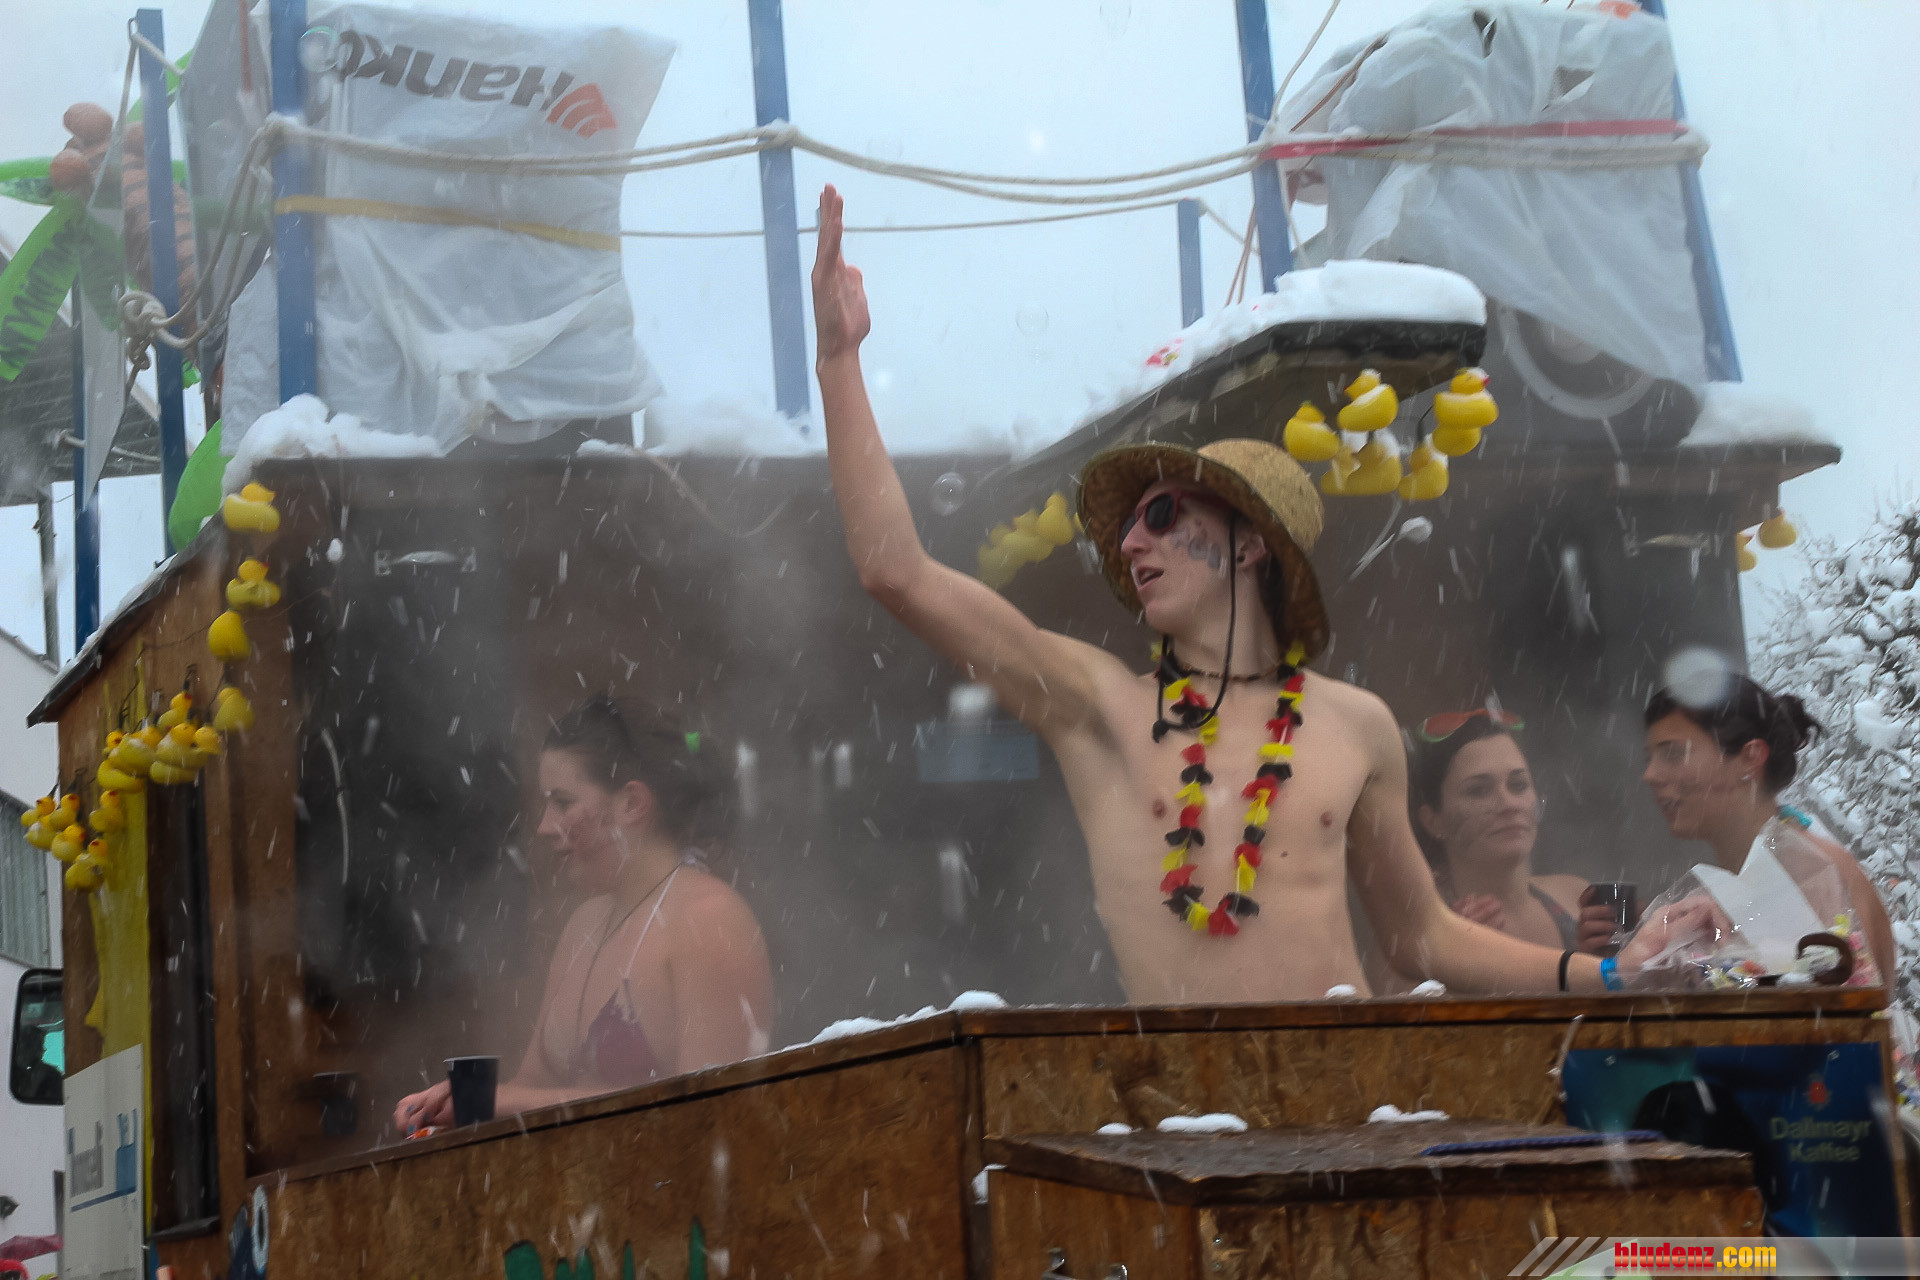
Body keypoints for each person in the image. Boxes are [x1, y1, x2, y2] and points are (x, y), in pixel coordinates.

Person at [811, 183, 1686, 1000]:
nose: (1133, 542)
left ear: (1249, 544)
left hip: (1348, 1091)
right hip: (1181, 1102)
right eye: (1128, 528)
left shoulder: (1358, 724)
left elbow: (1420, 938)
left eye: (1162, 515)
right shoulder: (1099, 707)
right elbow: (897, 571)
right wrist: (840, 362)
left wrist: (1607, 974)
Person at [393, 697, 773, 1129]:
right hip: (581, 1171)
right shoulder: (584, 926)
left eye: (562, 802)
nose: (544, 826)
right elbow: (533, 1086)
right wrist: (458, 1105)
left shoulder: (710, 920)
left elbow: (713, 1113)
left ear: (631, 803)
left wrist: (492, 1101)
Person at [1578, 674, 1896, 984]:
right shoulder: (1756, 870)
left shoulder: (1814, 870)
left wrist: (1633, 975)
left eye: (1673, 754)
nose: (1650, 775)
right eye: (1651, 758)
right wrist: (1627, 960)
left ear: (1750, 758)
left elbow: (1843, 1006)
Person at [1408, 709, 1589, 951]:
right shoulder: (1419, 933)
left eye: (1518, 784)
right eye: (1478, 790)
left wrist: (1616, 951)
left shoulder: (1577, 900)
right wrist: (1453, 958)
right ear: (1433, 821)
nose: (1508, 804)